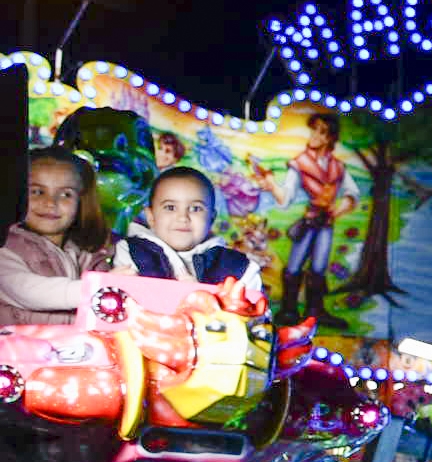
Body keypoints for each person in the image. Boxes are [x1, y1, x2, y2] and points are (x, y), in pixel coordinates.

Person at [114, 166, 265, 302]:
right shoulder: (130, 252)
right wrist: (112, 287)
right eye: (170, 207)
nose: (183, 217)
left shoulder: (239, 268)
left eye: (195, 209)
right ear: (151, 217)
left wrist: (203, 298)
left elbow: (254, 324)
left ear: (211, 218)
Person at [0, 147, 111, 324]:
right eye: (37, 191)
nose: (51, 203)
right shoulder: (6, 248)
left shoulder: (86, 255)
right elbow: (29, 292)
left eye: (66, 194)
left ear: (80, 202)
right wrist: (100, 287)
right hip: (18, 348)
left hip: (72, 347)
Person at [278, 111, 352, 326]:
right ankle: (289, 310)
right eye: (314, 130)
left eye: (321, 132)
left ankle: (314, 312)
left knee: (319, 267)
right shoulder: (300, 162)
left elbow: (351, 194)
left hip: (326, 223)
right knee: (294, 266)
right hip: (309, 222)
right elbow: (286, 196)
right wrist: (272, 185)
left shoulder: (338, 167)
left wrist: (336, 210)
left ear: (330, 138)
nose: (314, 135)